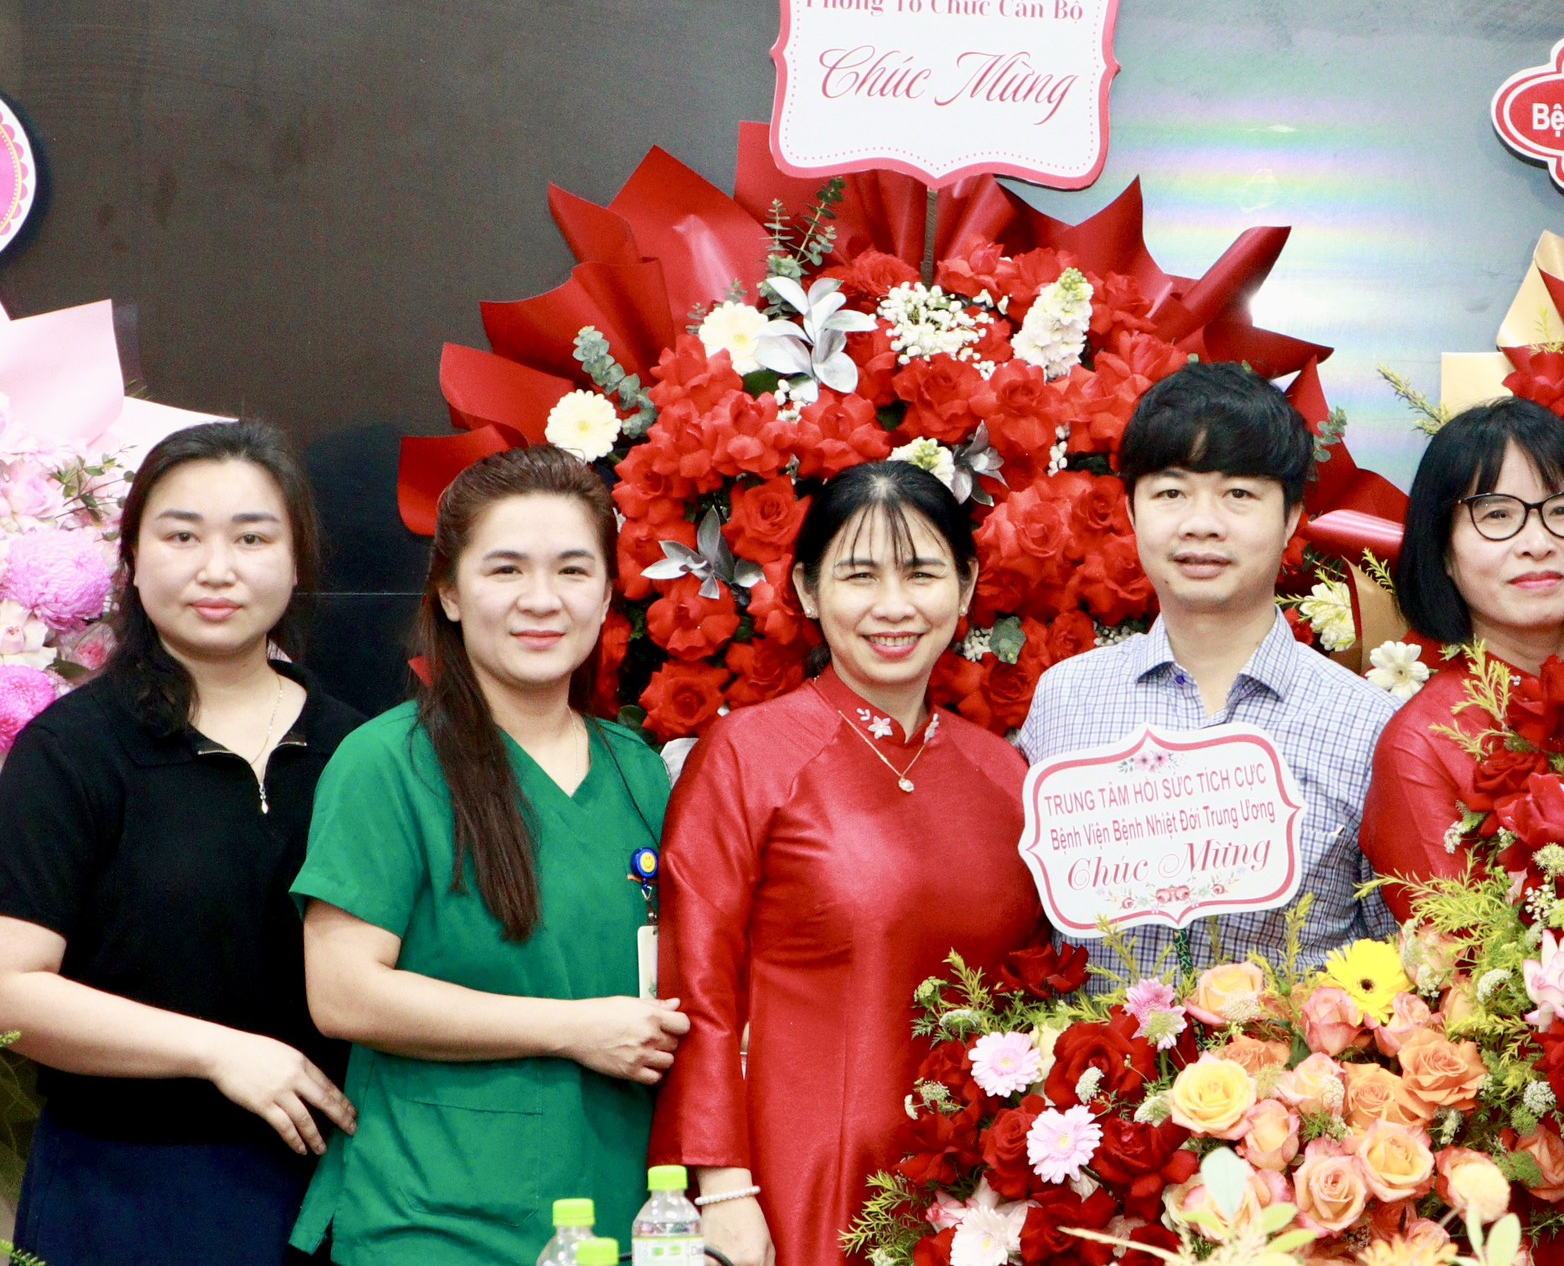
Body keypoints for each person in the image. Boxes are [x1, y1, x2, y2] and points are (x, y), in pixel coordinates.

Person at [292, 446, 684, 1265]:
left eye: (573, 570)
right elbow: (344, 993)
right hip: (439, 1221)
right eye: (506, 569)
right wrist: (572, 1030)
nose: (542, 599)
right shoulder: (387, 764)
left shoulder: (638, 769)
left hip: (621, 1214)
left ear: (607, 594)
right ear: (449, 592)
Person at [649, 462, 1047, 1266]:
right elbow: (699, 987)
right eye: (860, 576)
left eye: (922, 574)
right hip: (795, 1177)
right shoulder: (748, 755)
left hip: (976, 1192)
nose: (893, 606)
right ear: (805, 588)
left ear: (966, 589)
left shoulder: (1005, 774)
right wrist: (721, 1189)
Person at [0, 421, 364, 1266]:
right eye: (182, 535)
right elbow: (10, 992)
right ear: (132, 559)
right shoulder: (73, 751)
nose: (217, 569)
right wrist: (217, 1053)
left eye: (252, 538)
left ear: (298, 561)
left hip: (337, 1189)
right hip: (124, 1191)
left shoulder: (361, 750)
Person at [1359, 396, 1564, 1266]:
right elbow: (1473, 1006)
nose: (1536, 541)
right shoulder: (1423, 743)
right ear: (1441, 548)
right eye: (1496, 515)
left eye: (1559, 511)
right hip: (1545, 1175)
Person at [1018, 361, 1399, 978]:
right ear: (1131, 511)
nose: (1201, 524)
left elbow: (1401, 957)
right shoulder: (1065, 700)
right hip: (1095, 1040)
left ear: (1292, 517)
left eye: (1238, 494)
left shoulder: (1369, 725)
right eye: (1171, 493)